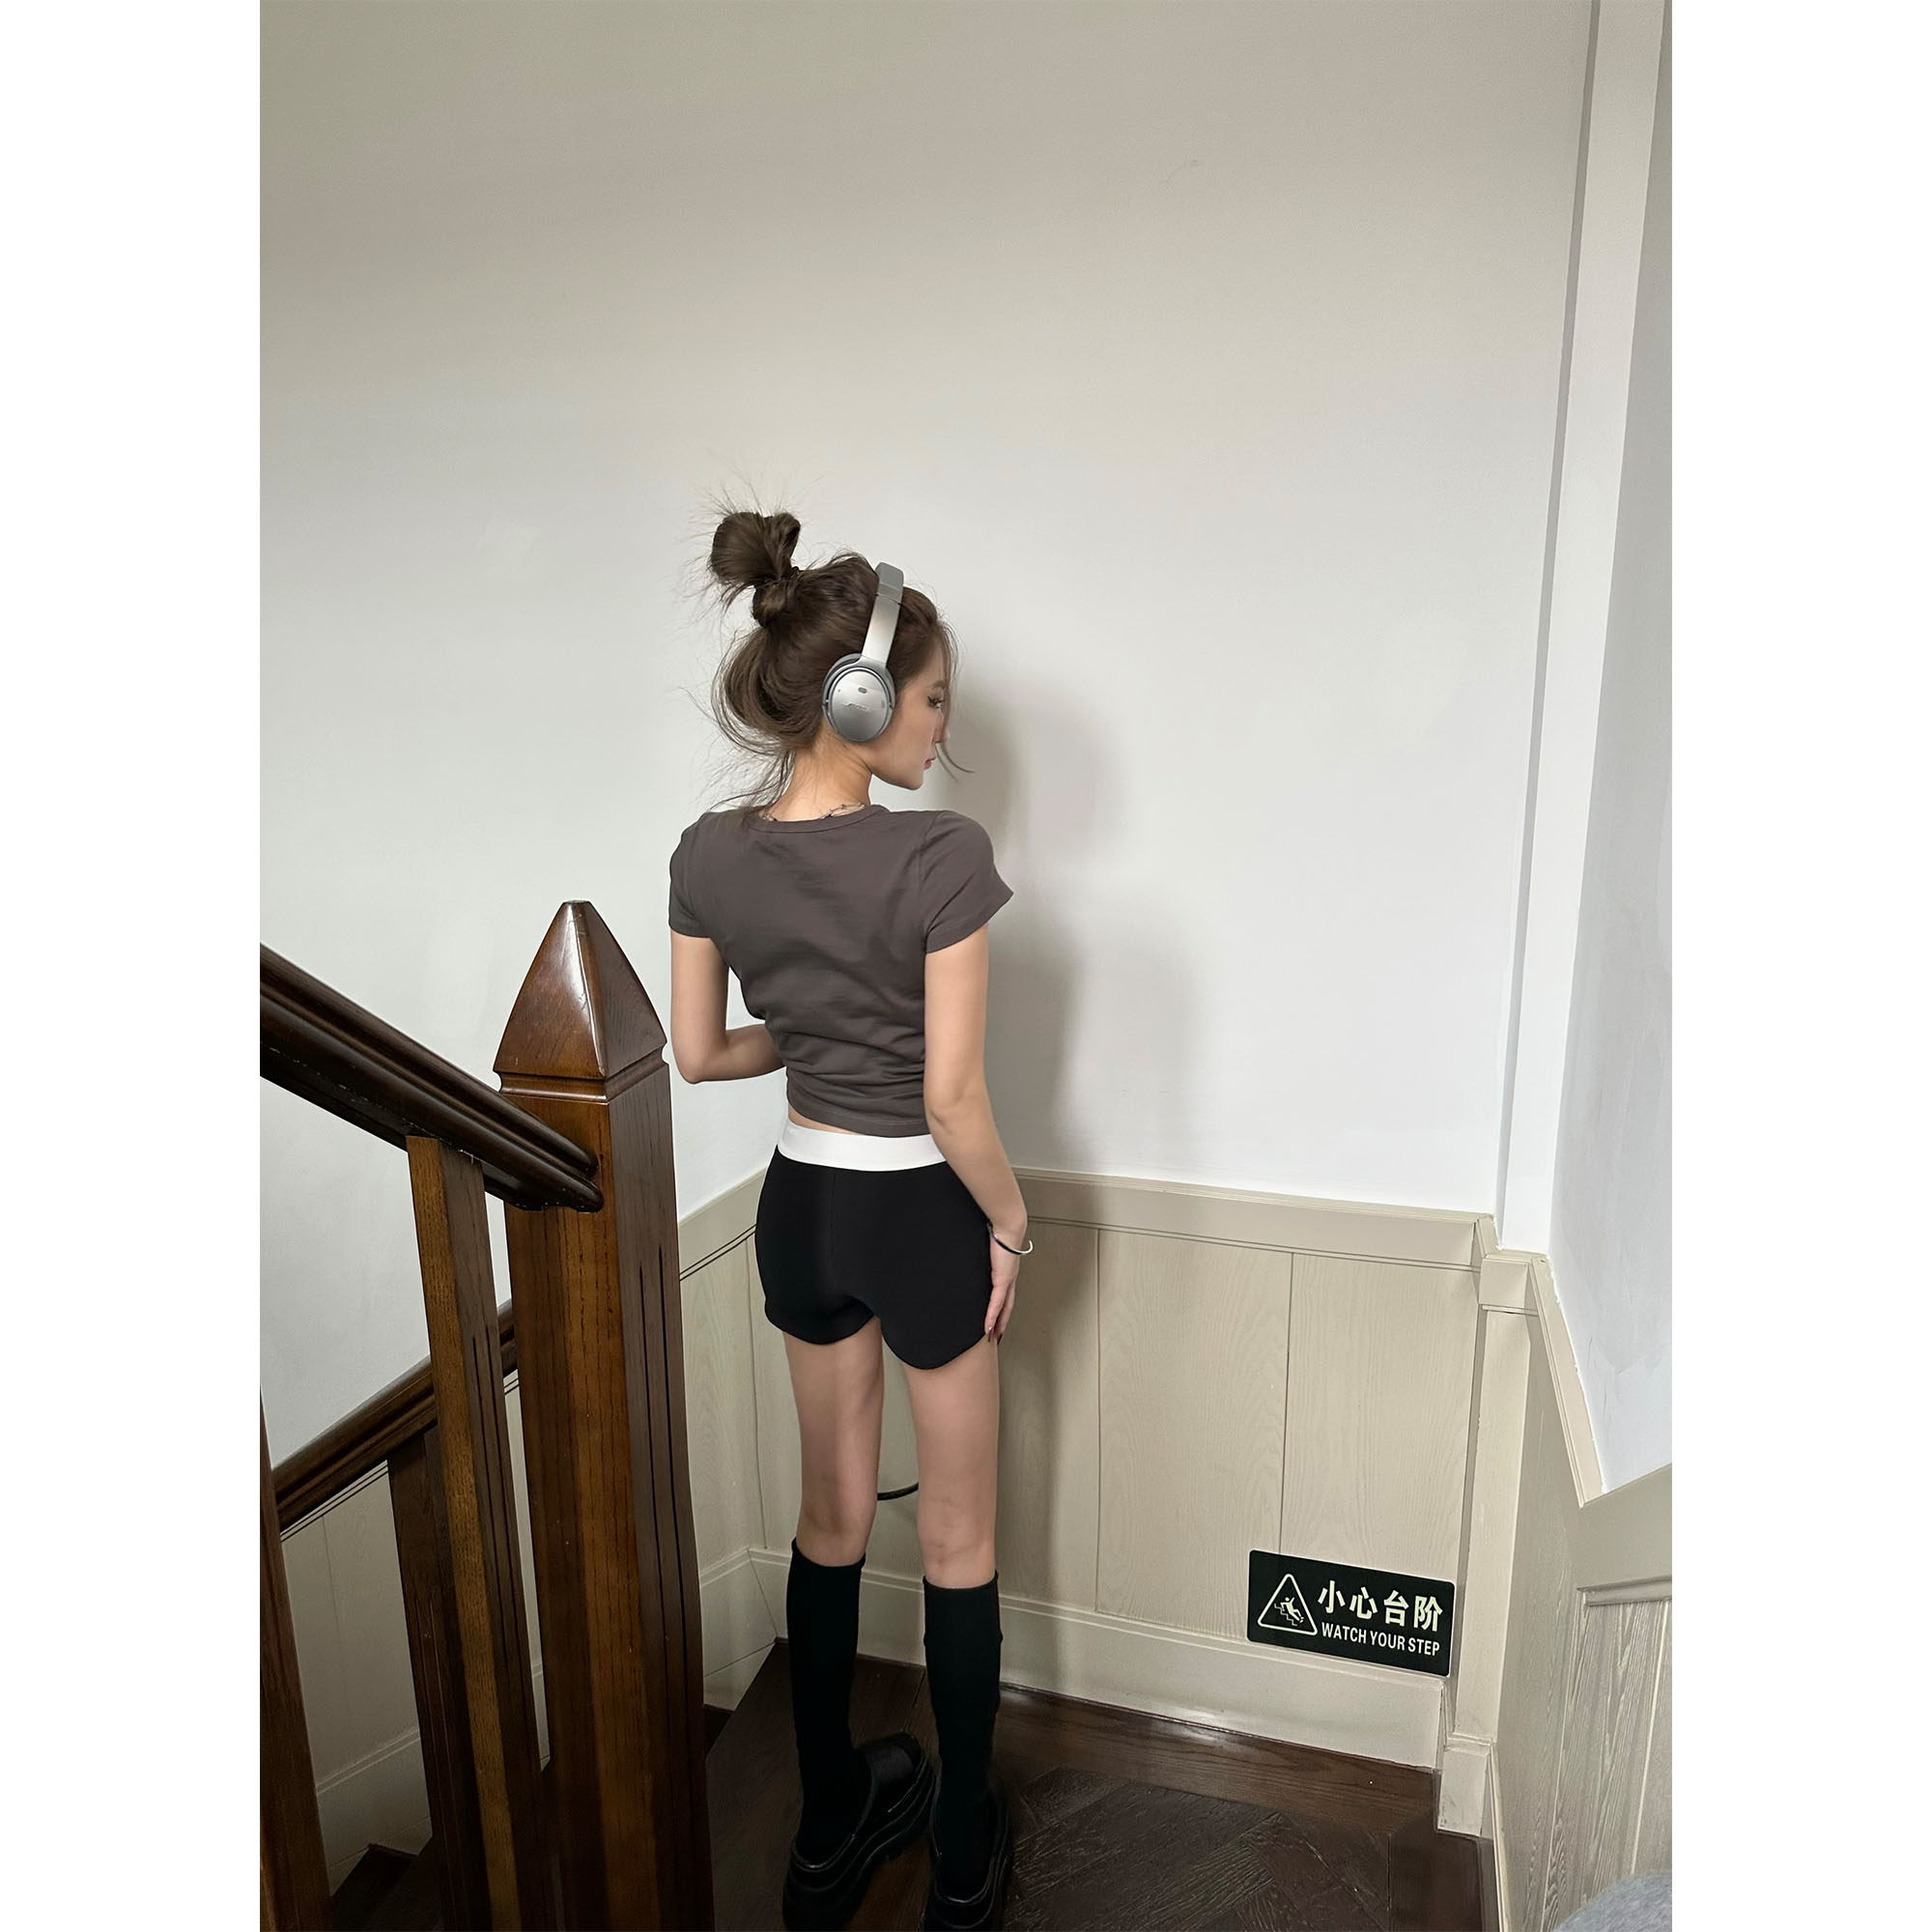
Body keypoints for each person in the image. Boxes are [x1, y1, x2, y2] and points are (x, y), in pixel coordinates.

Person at [667, 504, 1026, 1930]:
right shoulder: (941, 859)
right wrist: (1011, 1225)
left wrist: (811, 1039)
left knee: (828, 1520)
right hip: (921, 1214)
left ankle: (824, 1832)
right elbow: (952, 1099)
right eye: (931, 701)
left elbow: (703, 1054)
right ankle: (959, 1864)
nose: (942, 728)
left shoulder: (708, 854)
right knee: (958, 1545)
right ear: (864, 700)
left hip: (803, 1207)